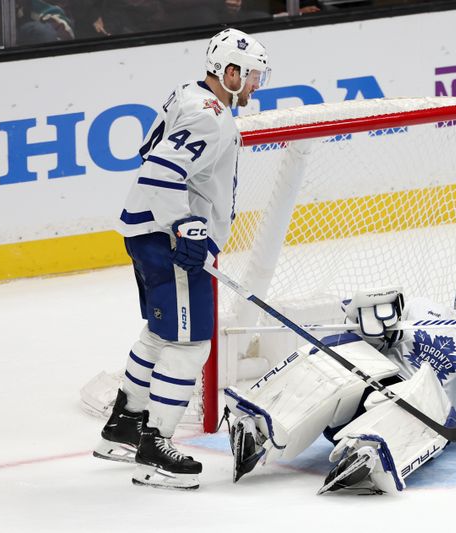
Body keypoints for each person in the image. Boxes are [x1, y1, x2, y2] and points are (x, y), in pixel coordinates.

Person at [93, 27, 271, 491]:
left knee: (159, 332)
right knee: (192, 345)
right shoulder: (211, 117)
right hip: (168, 241)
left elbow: (150, 153)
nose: (256, 85)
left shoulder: (188, 94)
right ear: (229, 72)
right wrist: (185, 226)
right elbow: (160, 170)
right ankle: (156, 449)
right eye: (252, 76)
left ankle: (123, 427)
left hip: (145, 233)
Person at [223, 268, 456, 494]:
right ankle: (265, 427)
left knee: (424, 387)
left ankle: (372, 454)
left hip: (426, 416)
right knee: (344, 353)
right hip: (369, 389)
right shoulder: (421, 308)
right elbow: (367, 330)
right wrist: (369, 321)